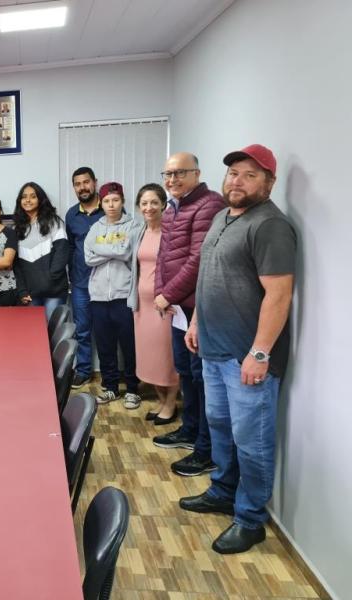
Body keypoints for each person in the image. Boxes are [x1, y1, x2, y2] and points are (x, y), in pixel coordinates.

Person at [179, 145, 296, 554]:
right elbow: (209, 274)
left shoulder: (271, 226)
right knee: (222, 428)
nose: (237, 181)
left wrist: (260, 352)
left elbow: (279, 295)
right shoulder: (220, 217)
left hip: (247, 359)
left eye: (249, 175)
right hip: (213, 349)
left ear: (269, 182)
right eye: (233, 173)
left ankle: (250, 520)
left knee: (253, 441)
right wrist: (195, 321)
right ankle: (223, 491)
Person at [152, 152, 226, 478]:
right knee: (185, 370)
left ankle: (206, 451)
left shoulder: (209, 205)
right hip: (177, 308)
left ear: (196, 173)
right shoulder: (173, 207)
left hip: (197, 309)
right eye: (167, 174)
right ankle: (190, 430)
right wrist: (160, 291)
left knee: (201, 377)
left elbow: (198, 259)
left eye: (179, 173)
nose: (171, 180)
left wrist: (168, 293)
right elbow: (163, 255)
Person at [84, 182, 140, 407]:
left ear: (123, 201)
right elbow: (88, 257)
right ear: (101, 203)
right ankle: (110, 387)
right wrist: (114, 251)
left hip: (123, 294)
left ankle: (133, 389)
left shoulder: (134, 226)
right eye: (107, 201)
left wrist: (102, 249)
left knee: (129, 345)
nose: (111, 205)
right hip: (98, 296)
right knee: (105, 345)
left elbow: (127, 252)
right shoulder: (95, 227)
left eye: (115, 200)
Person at [128, 183, 179, 420]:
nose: (149, 207)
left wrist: (167, 295)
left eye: (154, 202)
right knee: (149, 358)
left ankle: (170, 404)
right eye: (144, 203)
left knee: (166, 357)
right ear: (139, 207)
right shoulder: (140, 231)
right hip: (142, 305)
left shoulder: (171, 233)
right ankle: (160, 402)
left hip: (164, 305)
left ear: (163, 205)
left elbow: (179, 269)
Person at [65, 167, 104, 388]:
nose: (83, 187)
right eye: (78, 184)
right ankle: (83, 370)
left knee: (106, 330)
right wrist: (70, 276)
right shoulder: (71, 214)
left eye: (86, 182)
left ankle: (111, 375)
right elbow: (70, 247)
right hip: (81, 283)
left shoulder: (109, 208)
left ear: (95, 182)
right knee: (82, 329)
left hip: (107, 284)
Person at [12, 182, 69, 319]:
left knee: (52, 333)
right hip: (30, 294)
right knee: (33, 334)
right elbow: (17, 265)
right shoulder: (17, 228)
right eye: (24, 197)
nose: (28, 200)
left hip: (53, 292)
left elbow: (62, 253)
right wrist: (22, 291)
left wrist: (48, 281)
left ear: (40, 199)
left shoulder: (54, 222)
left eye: (33, 196)